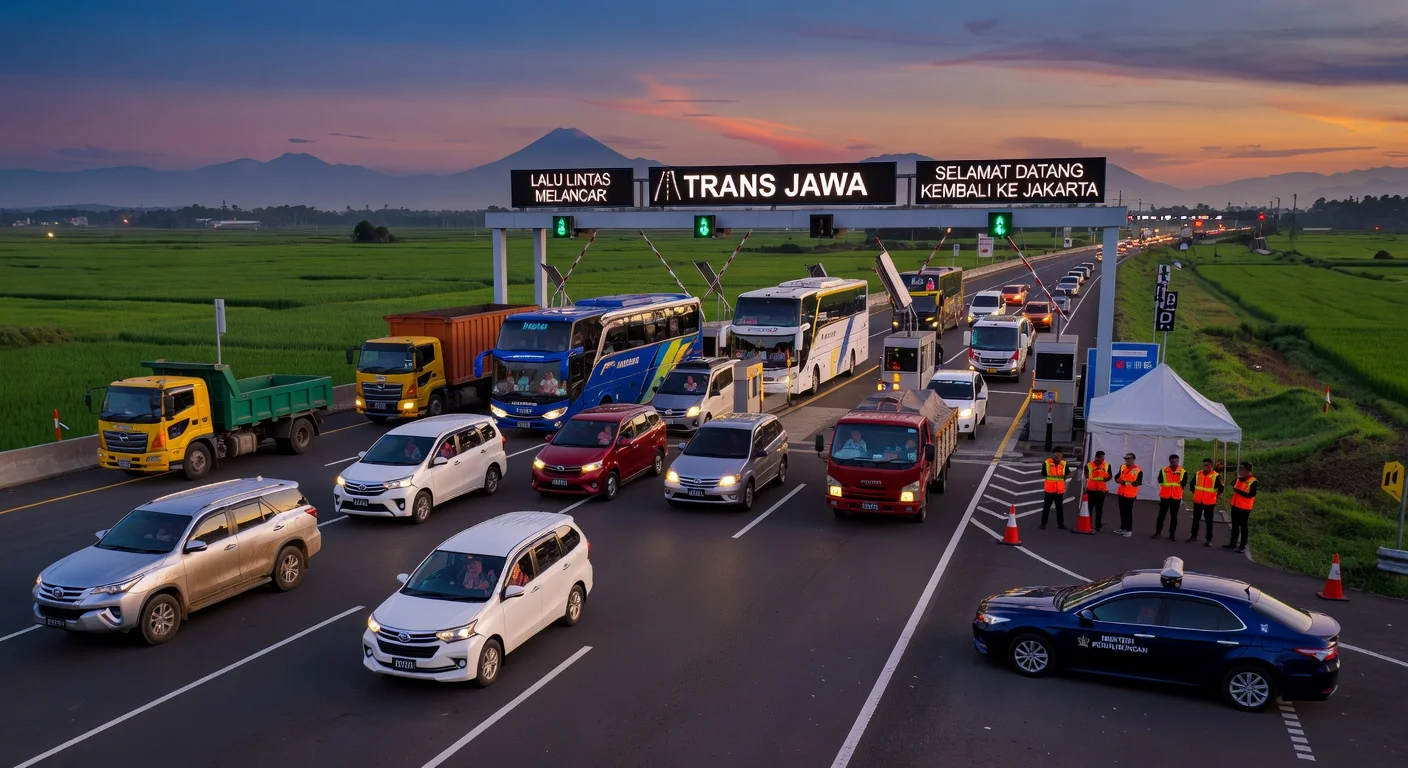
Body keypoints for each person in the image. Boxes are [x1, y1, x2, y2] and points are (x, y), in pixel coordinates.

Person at [1187, 457, 1224, 547]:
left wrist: (1216, 495)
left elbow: (1221, 488)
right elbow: (1192, 485)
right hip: (1198, 501)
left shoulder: (1216, 475)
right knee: (1196, 520)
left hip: (1209, 502)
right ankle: (1193, 536)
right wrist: (1195, 493)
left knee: (1209, 521)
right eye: (1204, 465)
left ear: (1211, 466)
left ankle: (1209, 539)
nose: (1206, 466)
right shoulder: (1198, 474)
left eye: (1208, 465)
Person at [1151, 454, 1187, 541]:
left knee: (1174, 516)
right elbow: (1160, 480)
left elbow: (1184, 483)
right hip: (1165, 496)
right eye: (1171, 462)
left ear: (1178, 461)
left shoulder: (1183, 472)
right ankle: (1158, 532)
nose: (1173, 464)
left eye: (1175, 462)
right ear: (1169, 462)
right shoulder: (1164, 470)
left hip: (1176, 497)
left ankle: (1172, 534)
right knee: (1161, 515)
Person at [1224, 462, 1258, 553]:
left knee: (1243, 526)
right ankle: (1233, 543)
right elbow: (1233, 485)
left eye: (1242, 469)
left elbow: (1251, 495)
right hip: (1235, 505)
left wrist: (1238, 491)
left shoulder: (1253, 481)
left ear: (1247, 470)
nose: (1240, 471)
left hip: (1245, 508)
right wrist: (1237, 481)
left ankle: (1243, 545)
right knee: (1235, 525)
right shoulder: (1239, 479)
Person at [1114, 453, 1142, 537]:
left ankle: (1129, 530)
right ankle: (1123, 528)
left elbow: (1138, 482)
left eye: (1129, 459)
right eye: (1126, 459)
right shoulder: (1122, 467)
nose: (1127, 461)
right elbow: (1117, 477)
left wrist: (1125, 482)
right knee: (1122, 511)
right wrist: (1118, 480)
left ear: (1133, 459)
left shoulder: (1138, 470)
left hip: (1130, 495)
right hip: (1121, 493)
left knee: (1128, 513)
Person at [1084, 450, 1112, 532]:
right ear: (1096, 457)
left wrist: (1106, 478)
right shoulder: (1089, 465)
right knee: (1089, 508)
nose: (1102, 460)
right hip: (1091, 490)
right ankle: (1088, 524)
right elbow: (1086, 475)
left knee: (1099, 509)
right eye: (1100, 458)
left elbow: (1110, 476)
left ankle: (1098, 525)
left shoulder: (1107, 465)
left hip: (1101, 490)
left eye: (1103, 458)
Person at [1040, 448, 1068, 530]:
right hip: (1050, 489)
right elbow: (1044, 473)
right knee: (1046, 507)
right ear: (1053, 455)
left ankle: (1061, 524)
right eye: (1057, 455)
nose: (1058, 457)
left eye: (1060, 455)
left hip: (1059, 490)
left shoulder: (1064, 464)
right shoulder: (1047, 462)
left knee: (1059, 508)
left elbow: (1067, 474)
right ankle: (1043, 523)